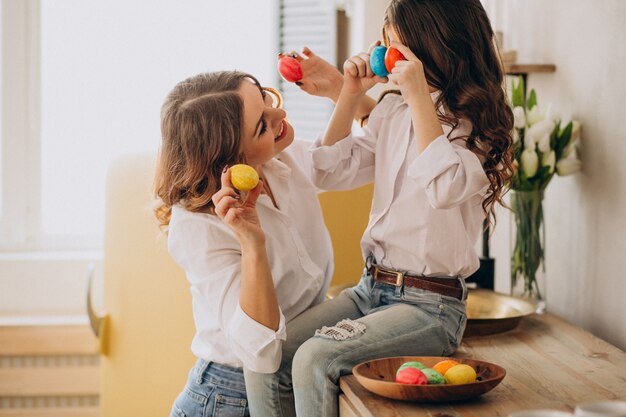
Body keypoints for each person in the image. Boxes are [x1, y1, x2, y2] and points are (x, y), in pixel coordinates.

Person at [243, 1, 515, 416]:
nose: (385, 48)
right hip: (370, 290)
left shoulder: (473, 125)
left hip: (429, 308)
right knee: (267, 352)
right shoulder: (394, 110)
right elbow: (324, 170)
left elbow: (443, 186)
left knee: (315, 359)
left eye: (394, 40)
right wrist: (350, 95)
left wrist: (419, 95)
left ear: (432, 45)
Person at [154, 50, 376, 417]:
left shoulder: (278, 162)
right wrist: (252, 243)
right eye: (262, 125)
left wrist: (346, 91)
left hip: (289, 376)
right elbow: (260, 351)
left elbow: (342, 160)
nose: (281, 116)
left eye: (268, 100)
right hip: (230, 397)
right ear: (230, 164)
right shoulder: (197, 228)